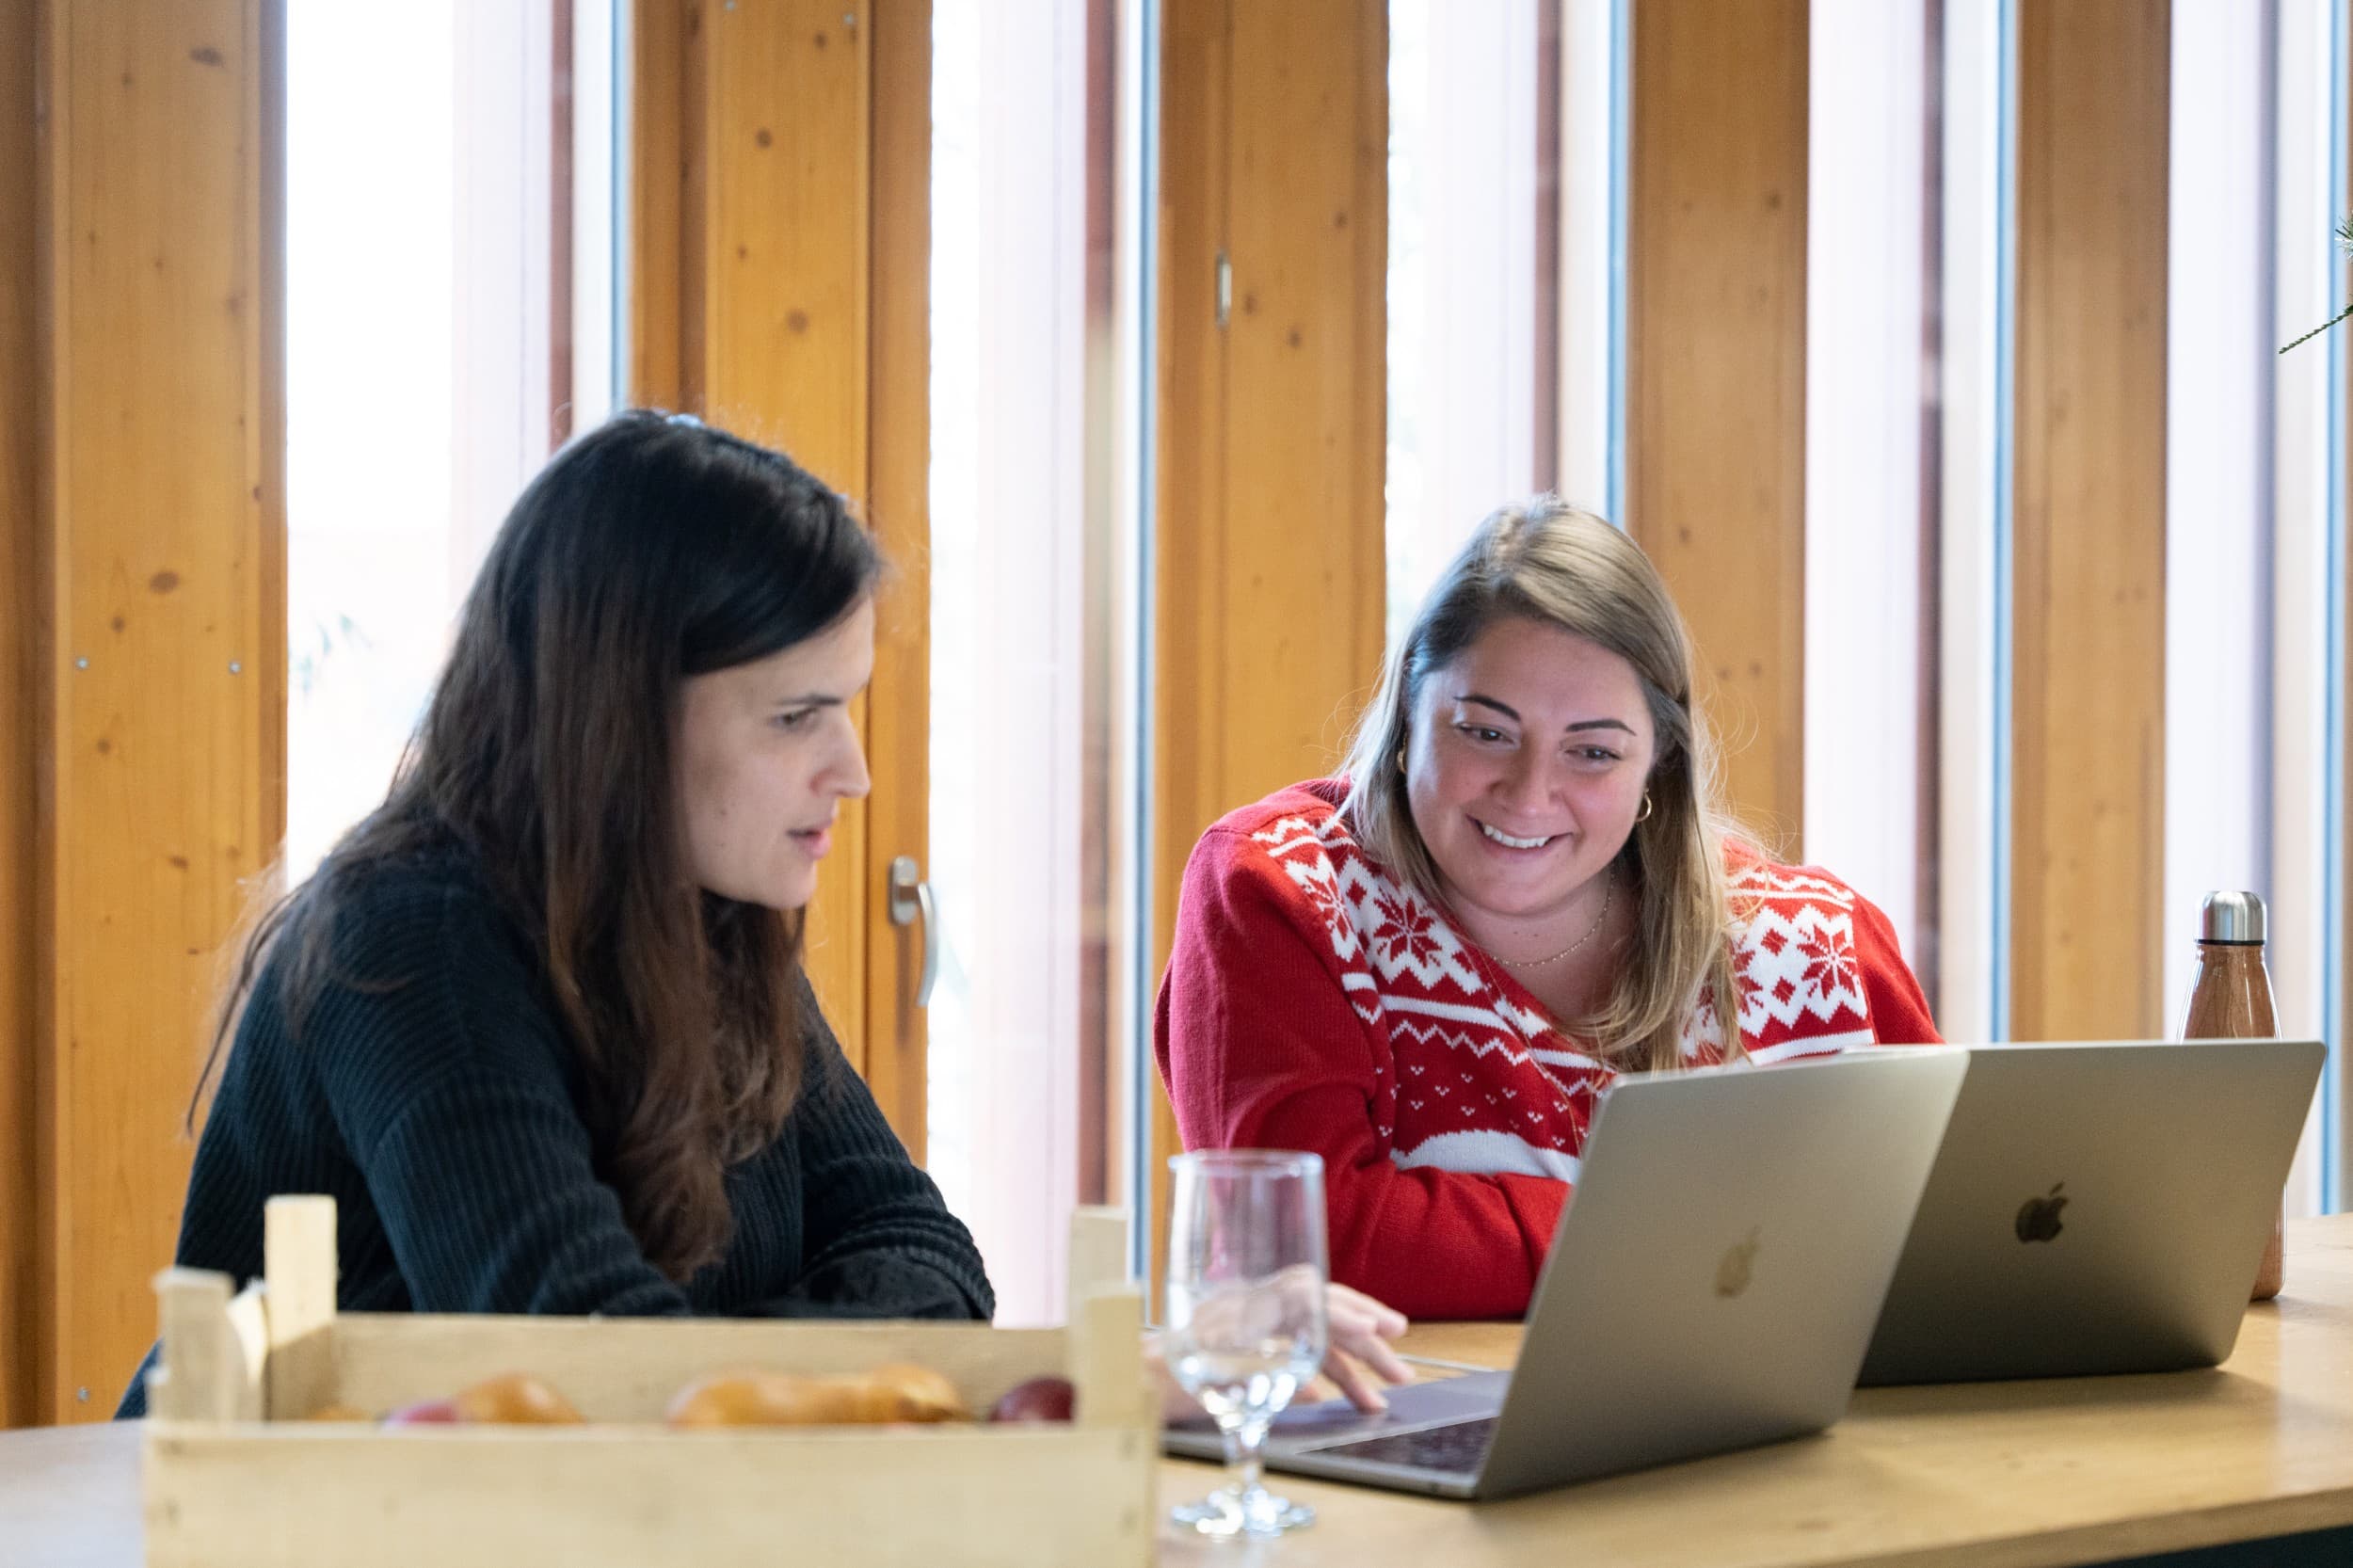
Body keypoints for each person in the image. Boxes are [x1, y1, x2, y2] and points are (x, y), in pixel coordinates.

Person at [120, 410, 1405, 1418]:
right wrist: (1050, 1376)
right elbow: (593, 1376)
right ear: (617, 720)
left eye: (845, 706)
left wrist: (746, 1368)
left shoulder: (701, 915)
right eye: (797, 717)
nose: (851, 770)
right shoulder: (411, 942)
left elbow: (928, 1255)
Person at [1156, 500, 1940, 1320]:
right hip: (1418, 1405)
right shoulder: (1281, 891)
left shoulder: (1816, 948)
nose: (1529, 795)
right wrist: (1702, 1233)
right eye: (1485, 732)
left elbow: (1945, 1237)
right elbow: (1304, 1241)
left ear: (1657, 765)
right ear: (1408, 715)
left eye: (1593, 752)